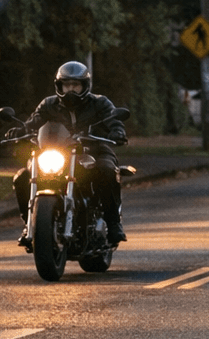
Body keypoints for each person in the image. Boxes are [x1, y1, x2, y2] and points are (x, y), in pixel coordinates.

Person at [11, 61, 128, 246]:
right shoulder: (49, 104)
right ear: (59, 85)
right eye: (66, 85)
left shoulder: (99, 103)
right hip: (58, 153)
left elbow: (113, 118)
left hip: (94, 150)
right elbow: (35, 121)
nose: (70, 90)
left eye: (75, 85)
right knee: (22, 176)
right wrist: (20, 131)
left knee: (106, 169)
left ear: (85, 86)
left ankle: (113, 223)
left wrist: (117, 131)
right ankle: (30, 224)